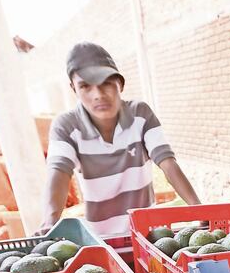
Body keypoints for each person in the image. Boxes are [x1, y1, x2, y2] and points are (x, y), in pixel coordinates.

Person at [40, 42, 200, 236]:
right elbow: (58, 173)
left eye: (106, 83)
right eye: (85, 86)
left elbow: (167, 162)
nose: (98, 95)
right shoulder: (67, 126)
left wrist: (199, 210)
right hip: (101, 239)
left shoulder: (140, 114)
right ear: (74, 88)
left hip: (146, 236)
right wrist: (49, 223)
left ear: (120, 83)